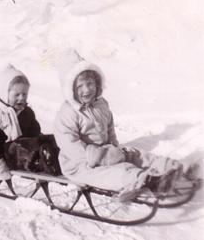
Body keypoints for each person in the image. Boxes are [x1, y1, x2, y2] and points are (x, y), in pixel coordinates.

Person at [54, 49, 183, 199]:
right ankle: (147, 181)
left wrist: (114, 147)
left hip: (106, 151)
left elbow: (109, 127)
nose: (87, 89)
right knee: (117, 171)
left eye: (90, 83)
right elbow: (70, 145)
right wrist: (100, 157)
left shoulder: (101, 104)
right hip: (80, 164)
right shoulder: (67, 113)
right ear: (70, 90)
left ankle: (170, 167)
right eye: (79, 86)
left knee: (135, 154)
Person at [0, 63, 41, 181]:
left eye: (24, 94)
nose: (21, 98)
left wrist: (39, 143)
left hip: (23, 152)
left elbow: (35, 132)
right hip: (2, 156)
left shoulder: (27, 112)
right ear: (4, 94)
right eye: (16, 95)